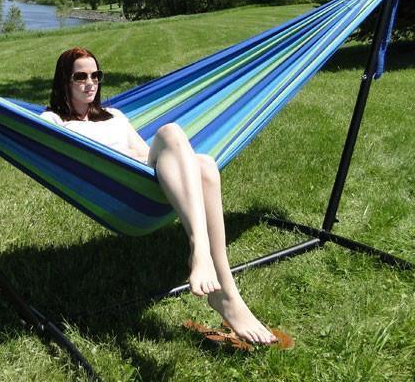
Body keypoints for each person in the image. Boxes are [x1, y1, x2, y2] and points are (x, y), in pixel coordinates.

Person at [41, 47, 277, 346]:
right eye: (80, 76)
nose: (90, 83)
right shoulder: (54, 120)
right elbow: (70, 159)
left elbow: (142, 153)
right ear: (64, 80)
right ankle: (210, 269)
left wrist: (152, 161)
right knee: (182, 143)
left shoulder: (114, 115)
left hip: (144, 181)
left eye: (96, 75)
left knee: (204, 164)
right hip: (114, 186)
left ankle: (220, 284)